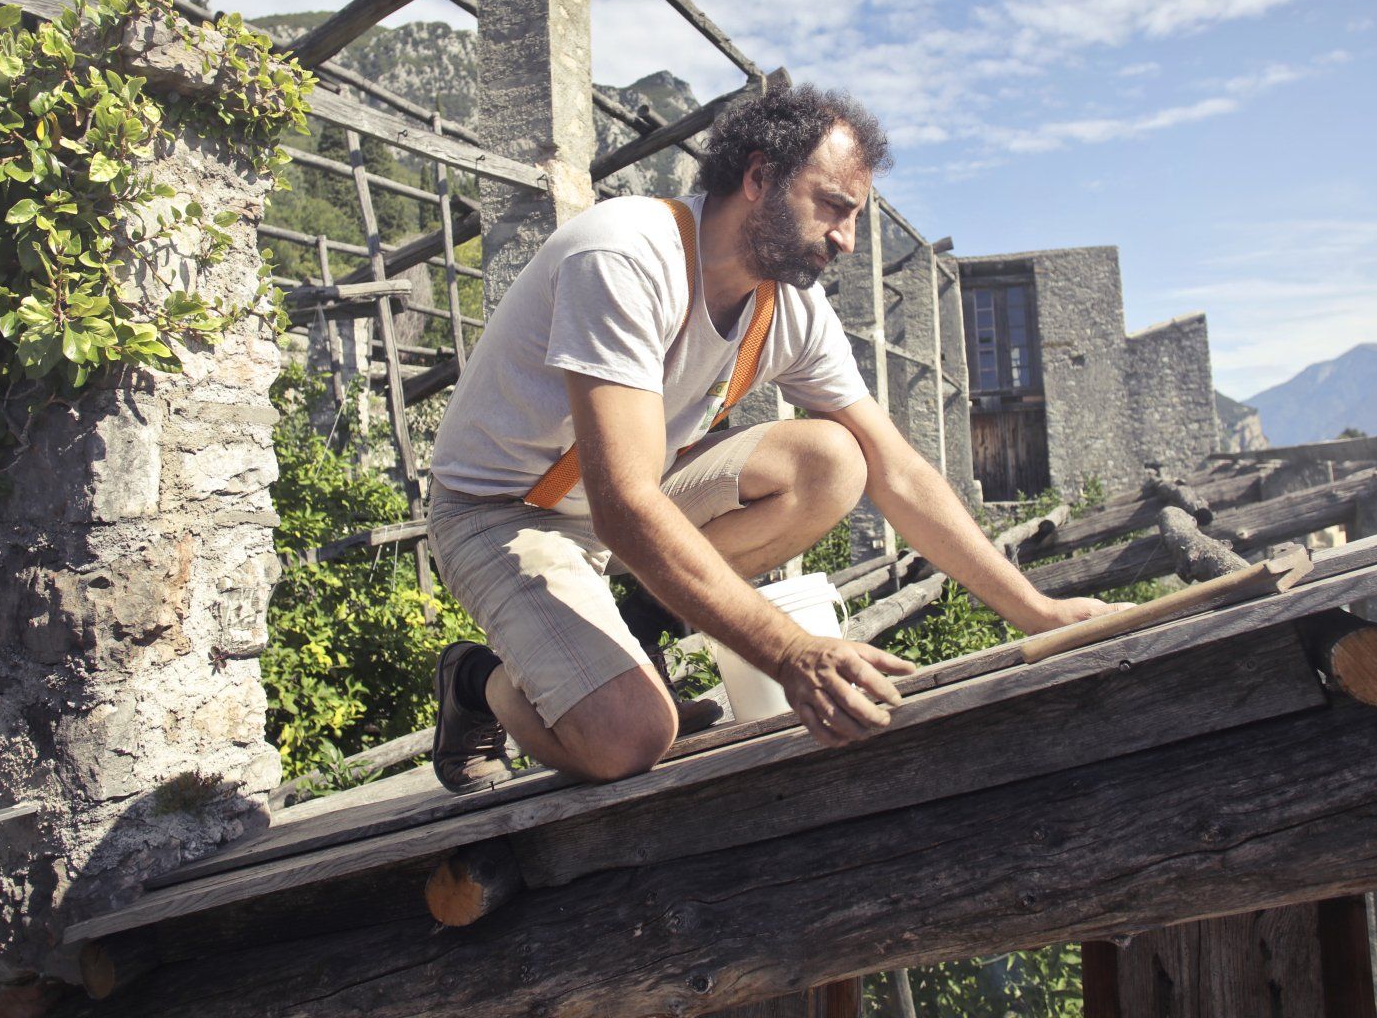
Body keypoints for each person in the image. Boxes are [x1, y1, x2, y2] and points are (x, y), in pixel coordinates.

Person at [424, 84, 1123, 791]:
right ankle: (477, 682)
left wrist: (1039, 612)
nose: (847, 239)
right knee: (628, 739)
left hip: (625, 501)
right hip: (506, 512)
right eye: (835, 208)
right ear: (759, 178)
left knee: (834, 461)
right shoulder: (625, 255)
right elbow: (626, 508)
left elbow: (898, 472)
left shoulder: (789, 309)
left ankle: (635, 625)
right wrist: (792, 653)